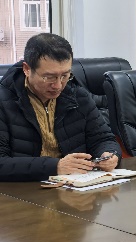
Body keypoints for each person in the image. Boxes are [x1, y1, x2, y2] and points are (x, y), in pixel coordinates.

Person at [0, 33, 120, 182]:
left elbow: (103, 139)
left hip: (75, 186)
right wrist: (55, 166)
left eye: (65, 75)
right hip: (24, 189)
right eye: (49, 77)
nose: (58, 85)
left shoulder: (77, 95)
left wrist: (109, 154)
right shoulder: (4, 101)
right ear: (27, 69)